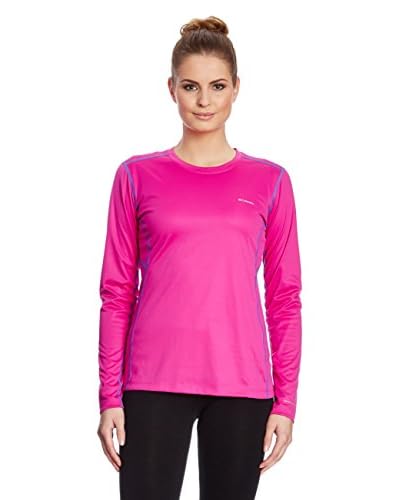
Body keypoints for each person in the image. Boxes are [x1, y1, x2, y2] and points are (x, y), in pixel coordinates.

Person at [96, 15, 302, 500]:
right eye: (191, 86)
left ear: (236, 89)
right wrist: (109, 394)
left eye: (217, 86)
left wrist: (286, 401)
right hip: (152, 380)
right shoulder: (135, 177)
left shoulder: (271, 182)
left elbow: (285, 298)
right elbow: (117, 292)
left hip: (242, 385)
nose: (204, 101)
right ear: (172, 89)